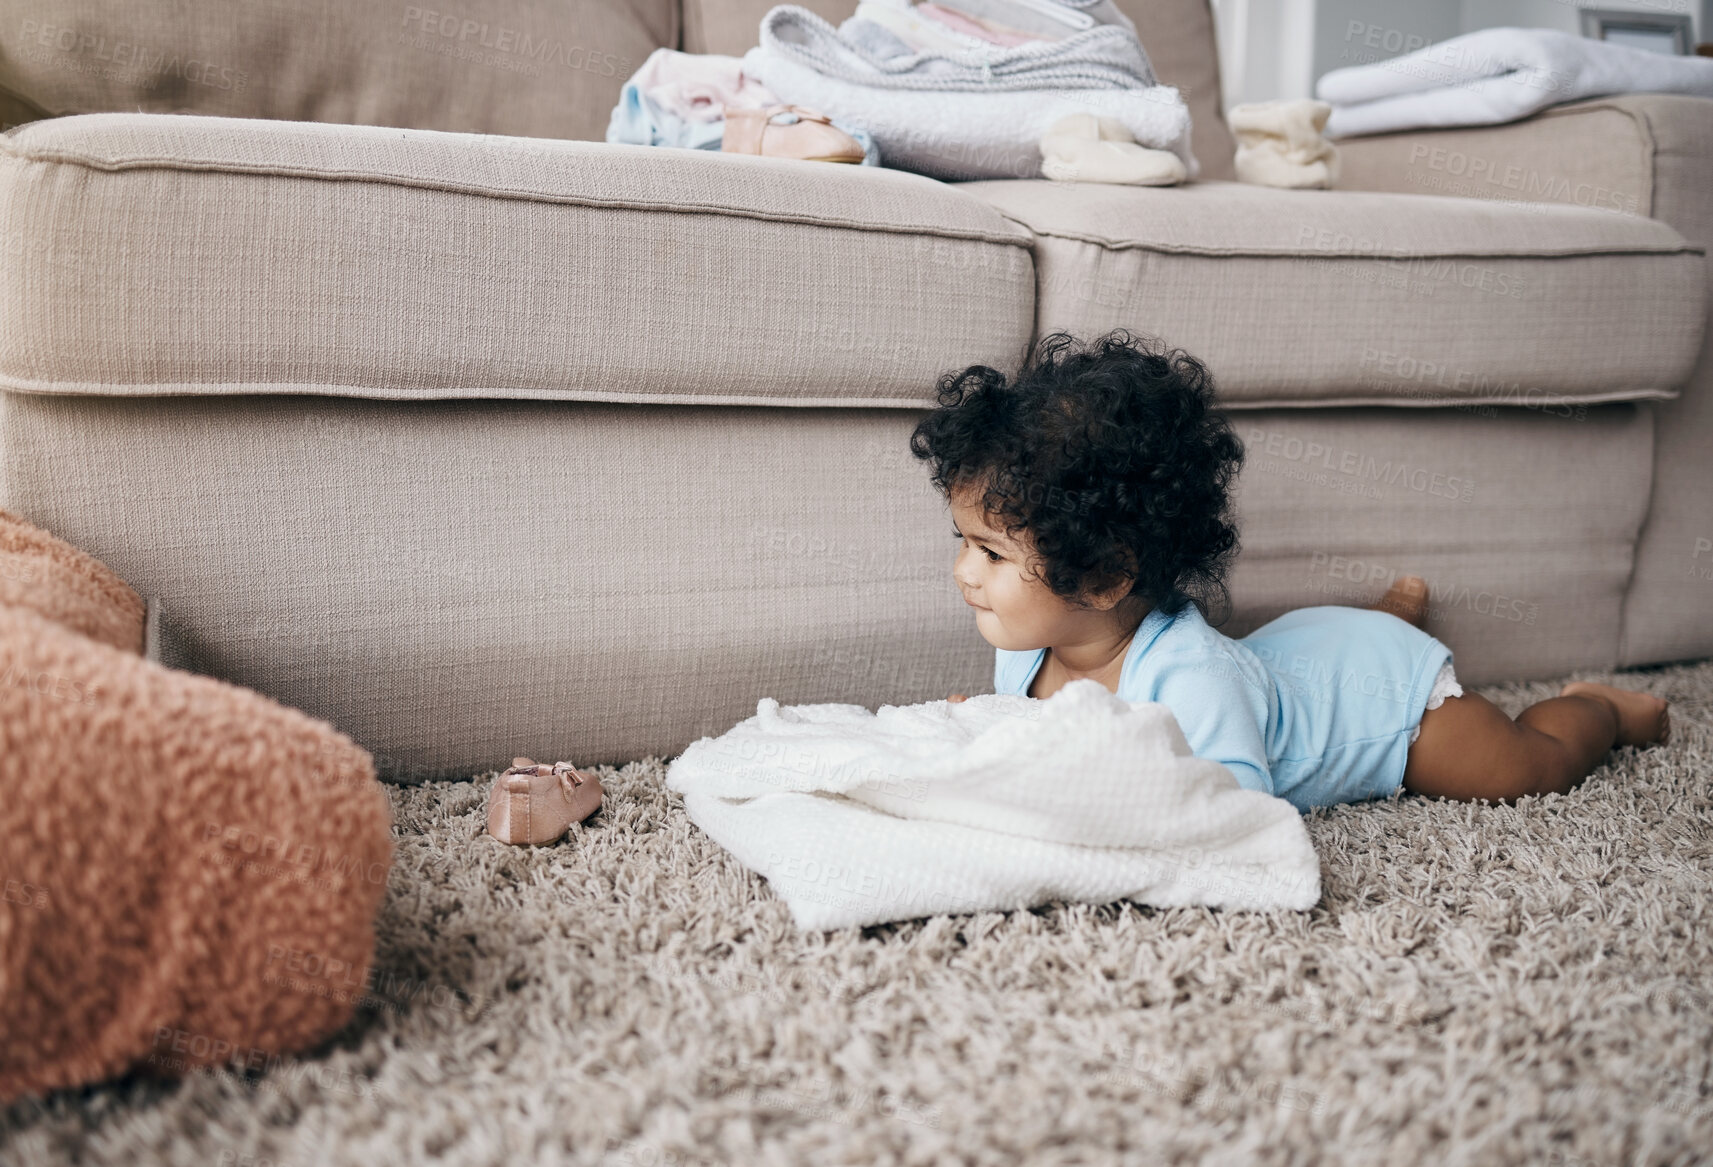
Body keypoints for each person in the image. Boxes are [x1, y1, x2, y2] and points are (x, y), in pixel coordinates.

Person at [914, 330, 1669, 812]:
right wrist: (993, 727)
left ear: (1107, 578)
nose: (963, 572)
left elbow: (1238, 807)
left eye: (991, 553)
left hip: (1387, 711)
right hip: (1305, 650)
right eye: (964, 540)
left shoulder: (1192, 680)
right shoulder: (1019, 644)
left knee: (1521, 769)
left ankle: (1598, 708)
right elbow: (1047, 735)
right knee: (1309, 657)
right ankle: (1383, 617)